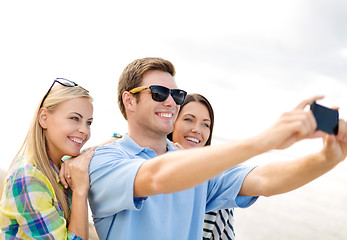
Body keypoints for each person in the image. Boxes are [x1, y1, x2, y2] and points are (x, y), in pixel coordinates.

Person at [87, 57, 347, 240]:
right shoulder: (105, 159)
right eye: (158, 92)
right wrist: (264, 140)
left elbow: (265, 179)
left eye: (176, 95)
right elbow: (156, 178)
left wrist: (326, 159)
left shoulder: (196, 167)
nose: (170, 102)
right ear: (129, 100)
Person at [0, 78, 94, 240]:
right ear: (44, 118)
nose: (84, 130)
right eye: (74, 118)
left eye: (89, 122)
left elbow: (119, 139)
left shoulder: (58, 166)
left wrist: (85, 154)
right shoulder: (28, 178)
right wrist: (80, 191)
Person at [168, 93, 235, 240]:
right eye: (188, 120)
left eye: (205, 124)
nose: (197, 129)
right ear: (171, 123)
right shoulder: (144, 166)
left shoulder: (214, 185)